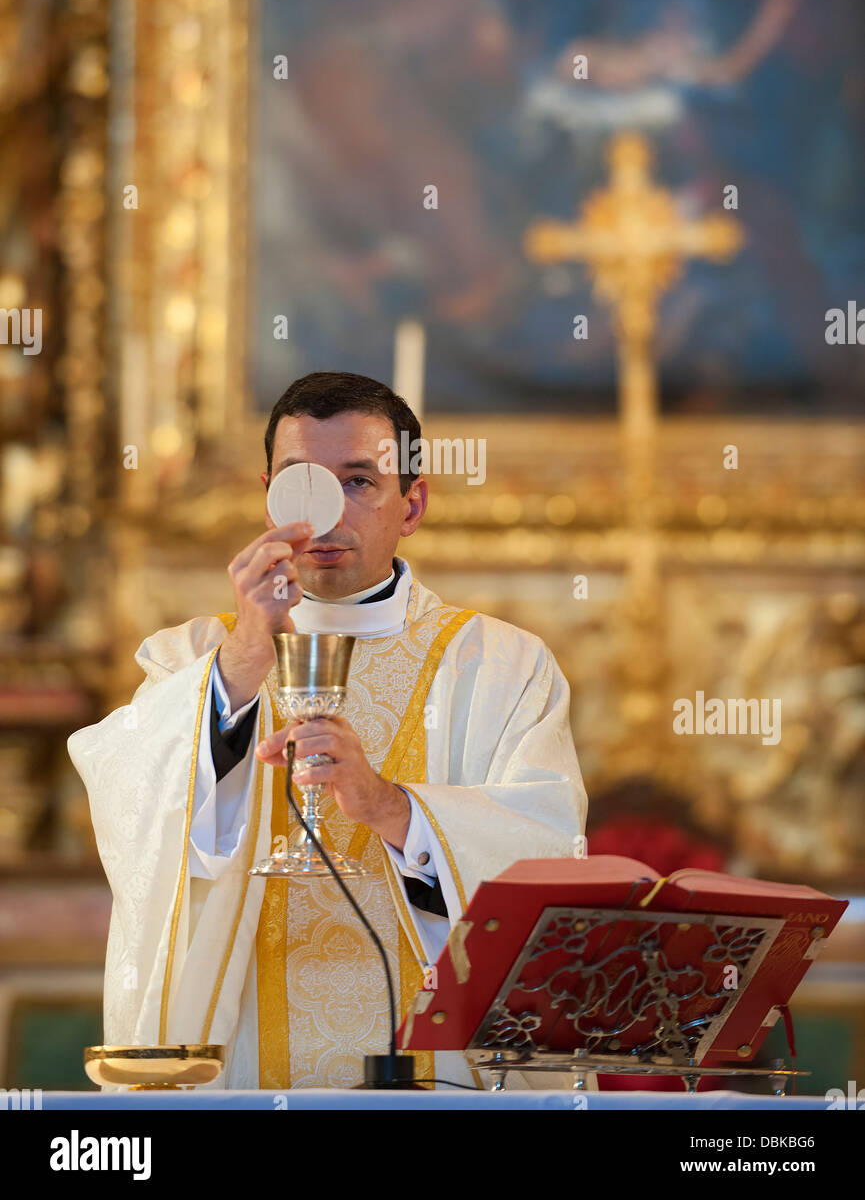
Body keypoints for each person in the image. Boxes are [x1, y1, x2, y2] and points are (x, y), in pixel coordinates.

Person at [68, 372, 588, 1089]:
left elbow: (551, 856)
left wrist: (392, 810)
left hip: (439, 1080)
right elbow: (136, 825)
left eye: (358, 482)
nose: (326, 515)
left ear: (412, 503)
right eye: (301, 482)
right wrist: (245, 659)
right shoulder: (192, 660)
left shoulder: (499, 666)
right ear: (267, 494)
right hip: (245, 1065)